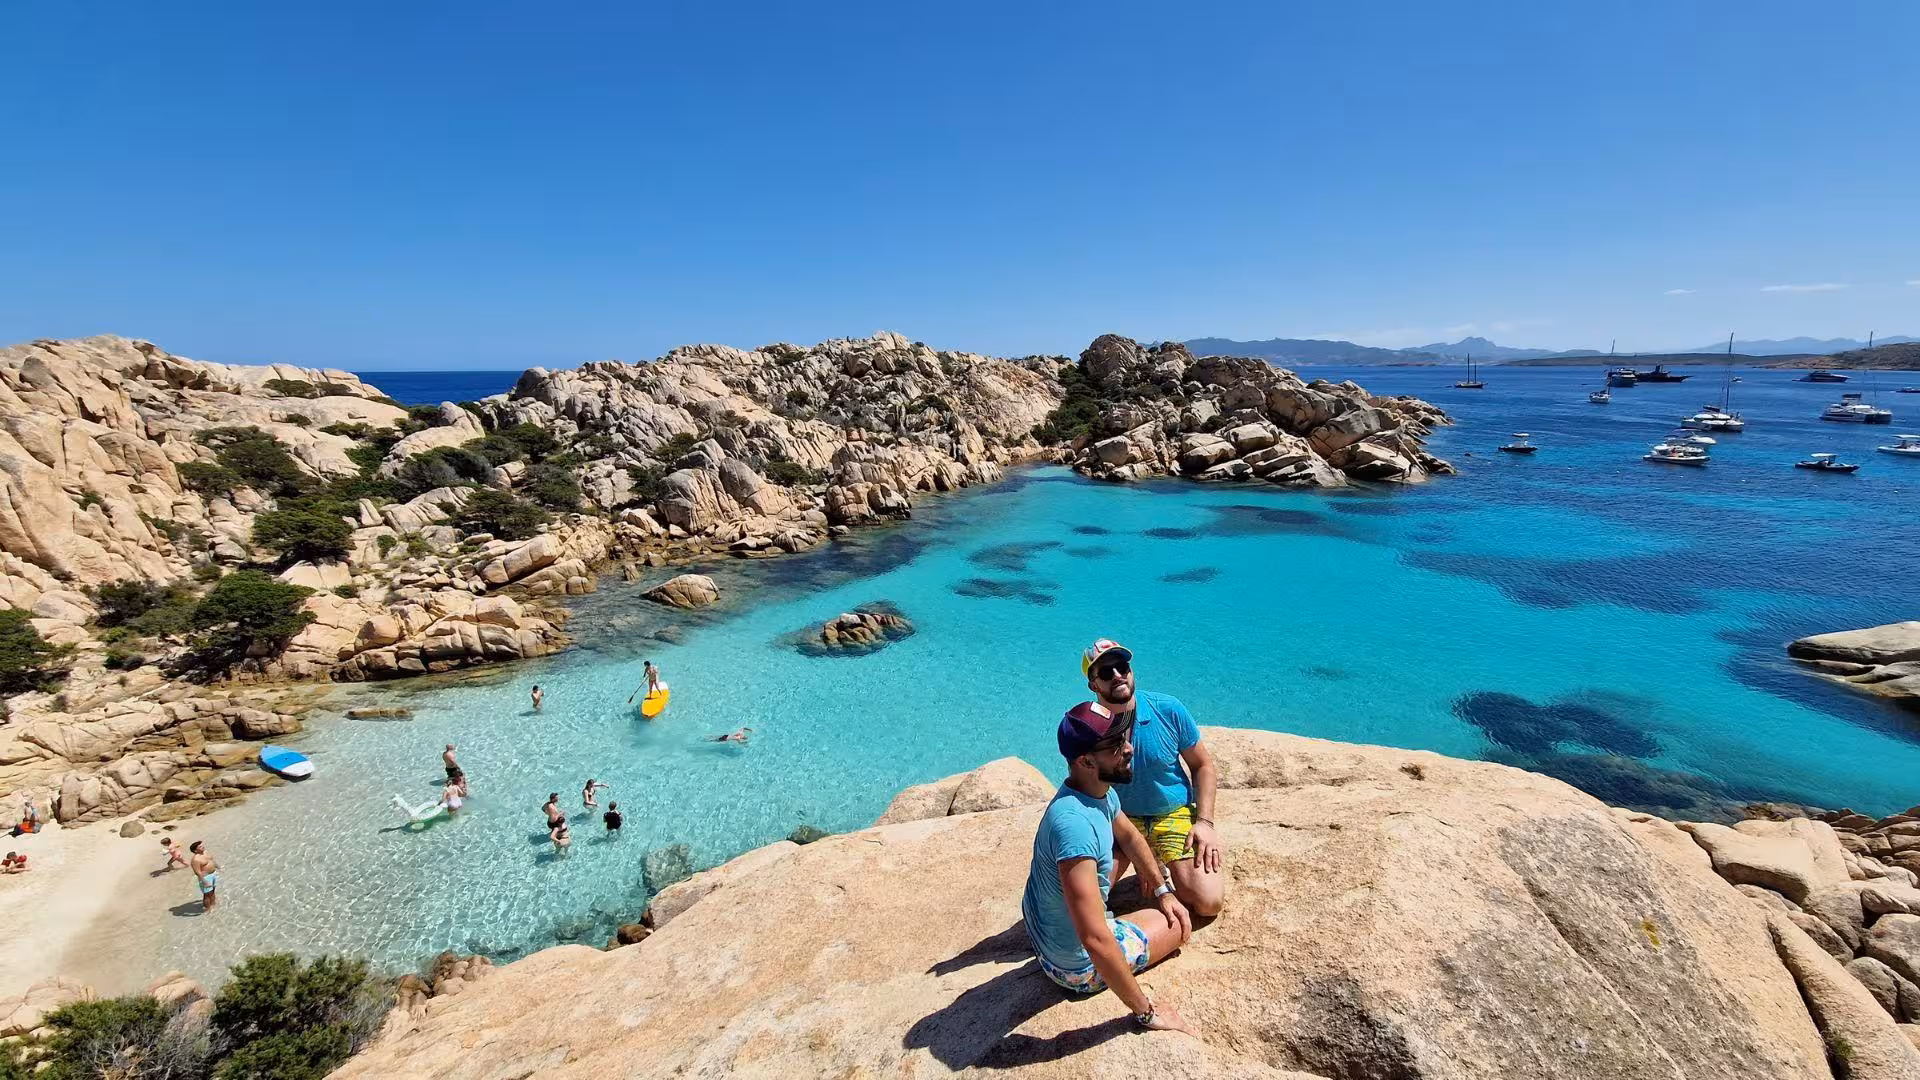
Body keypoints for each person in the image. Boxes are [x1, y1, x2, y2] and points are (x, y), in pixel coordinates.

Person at [1020, 701, 1196, 1034]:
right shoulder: (1074, 827)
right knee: (1178, 926)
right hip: (1073, 966)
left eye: (1124, 738)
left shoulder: (1096, 790)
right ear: (1086, 760)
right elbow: (1095, 939)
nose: (1129, 749)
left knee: (1169, 905)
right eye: (1116, 746)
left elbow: (1128, 835)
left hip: (1045, 936)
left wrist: (1163, 889)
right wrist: (1147, 1012)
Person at [1081, 638, 1226, 918]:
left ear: (1131, 671)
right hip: (1120, 822)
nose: (1117, 676)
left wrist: (1205, 823)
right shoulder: (1088, 726)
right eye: (1106, 673)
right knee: (1089, 898)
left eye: (1122, 667)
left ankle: (1161, 857)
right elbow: (1085, 787)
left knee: (1208, 902)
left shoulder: (1168, 709)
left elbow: (1202, 765)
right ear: (1093, 685)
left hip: (1172, 813)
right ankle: (1148, 858)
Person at [189, 841, 219, 913]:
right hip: (206, 877)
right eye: (200, 847)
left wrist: (218, 867)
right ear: (195, 850)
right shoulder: (195, 860)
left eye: (202, 845)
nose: (202, 847)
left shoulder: (205, 852)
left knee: (213, 891)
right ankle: (207, 909)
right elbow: (197, 872)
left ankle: (213, 904)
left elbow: (211, 860)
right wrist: (204, 881)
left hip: (213, 874)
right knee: (207, 894)